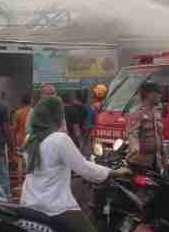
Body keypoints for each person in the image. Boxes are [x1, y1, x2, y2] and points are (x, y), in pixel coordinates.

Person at [20, 96, 130, 232]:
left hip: (29, 204)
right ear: (57, 116)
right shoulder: (59, 139)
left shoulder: (29, 139)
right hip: (56, 207)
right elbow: (84, 168)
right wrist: (113, 172)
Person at [125, 81, 167, 172]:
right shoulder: (137, 113)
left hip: (156, 162)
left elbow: (159, 136)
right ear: (149, 94)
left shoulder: (157, 112)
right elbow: (132, 134)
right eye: (158, 93)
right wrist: (134, 149)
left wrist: (164, 156)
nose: (160, 96)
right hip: (140, 163)